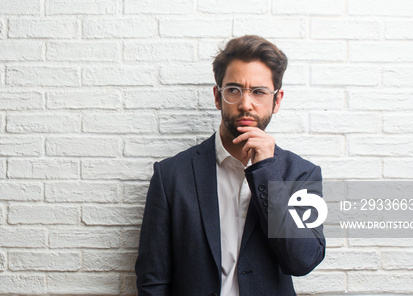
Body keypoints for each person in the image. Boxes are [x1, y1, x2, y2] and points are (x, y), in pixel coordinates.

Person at [135, 35, 325, 296]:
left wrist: (266, 172)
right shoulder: (171, 176)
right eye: (234, 90)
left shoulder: (301, 174)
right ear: (217, 96)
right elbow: (152, 280)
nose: (245, 104)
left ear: (277, 101)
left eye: (258, 92)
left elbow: (302, 261)